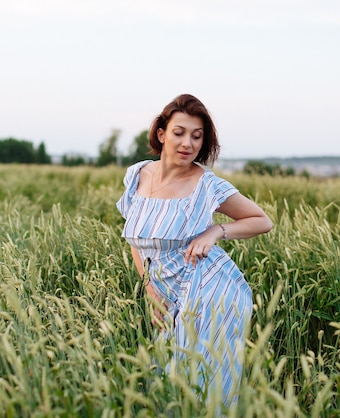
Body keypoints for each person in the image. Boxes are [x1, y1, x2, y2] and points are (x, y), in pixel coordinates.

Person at [116, 94, 273, 409]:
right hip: (164, 290)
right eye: (179, 132)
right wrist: (148, 287)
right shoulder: (137, 175)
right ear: (162, 134)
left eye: (197, 136)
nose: (187, 143)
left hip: (210, 291)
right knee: (166, 383)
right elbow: (135, 239)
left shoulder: (208, 185)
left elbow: (262, 220)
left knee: (198, 386)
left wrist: (216, 230)